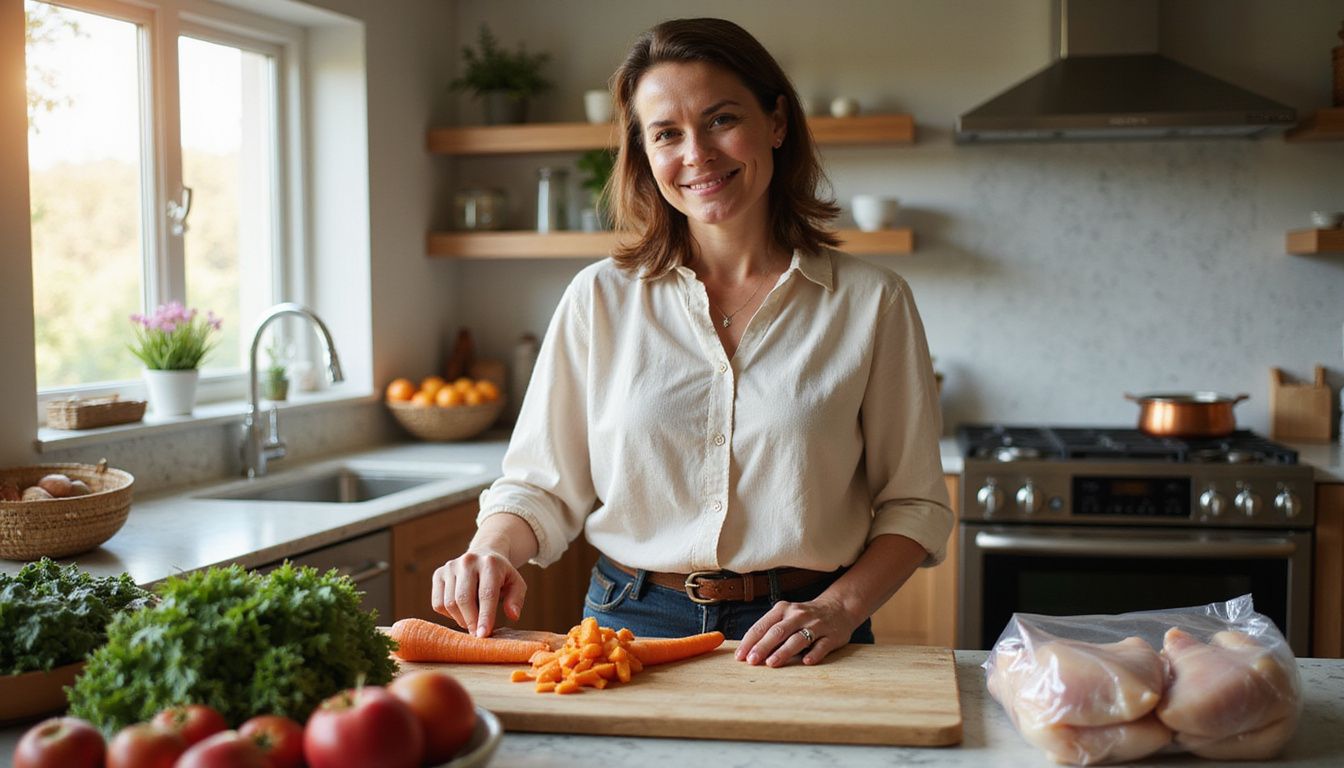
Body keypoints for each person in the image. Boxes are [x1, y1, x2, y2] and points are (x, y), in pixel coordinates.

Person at [432, 17, 951, 668]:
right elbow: (540, 485)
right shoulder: (599, 298)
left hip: (804, 630)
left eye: (721, 119)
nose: (697, 155)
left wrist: (841, 608)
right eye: (667, 134)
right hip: (628, 620)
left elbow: (915, 505)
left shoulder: (872, 302)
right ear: (644, 153)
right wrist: (491, 548)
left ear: (778, 123)